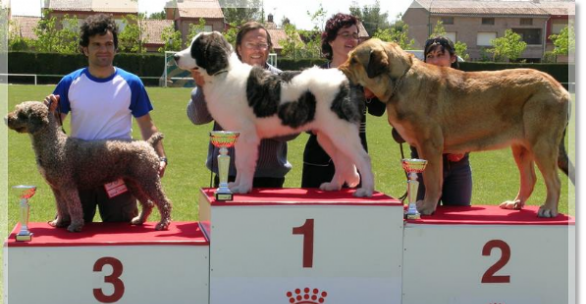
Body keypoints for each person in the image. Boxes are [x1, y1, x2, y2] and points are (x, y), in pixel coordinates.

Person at [45, 14, 167, 223]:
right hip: (79, 170)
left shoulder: (132, 82)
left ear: (115, 48)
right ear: (85, 49)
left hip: (118, 169)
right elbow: (54, 129)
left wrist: (162, 158)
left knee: (122, 232)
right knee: (72, 231)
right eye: (97, 44)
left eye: (109, 44)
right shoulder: (69, 82)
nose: (104, 49)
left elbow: (148, 126)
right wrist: (49, 112)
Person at [187, 22, 295, 188]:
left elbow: (291, 132)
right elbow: (198, 117)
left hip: (269, 177)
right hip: (226, 173)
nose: (257, 50)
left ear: (269, 48)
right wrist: (202, 87)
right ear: (238, 48)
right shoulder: (218, 76)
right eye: (250, 44)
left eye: (262, 45)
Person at [301, 13, 386, 188]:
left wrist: (372, 91)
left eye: (355, 35)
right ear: (331, 40)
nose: (352, 39)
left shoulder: (366, 74)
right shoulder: (315, 74)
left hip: (355, 157)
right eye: (345, 34)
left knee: (354, 214)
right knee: (315, 215)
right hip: (319, 161)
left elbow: (378, 111)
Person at [401, 36, 473, 206]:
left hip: (458, 166)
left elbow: (474, 124)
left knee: (458, 220)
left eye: (440, 55)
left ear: (453, 58)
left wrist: (464, 147)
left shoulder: (467, 88)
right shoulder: (415, 88)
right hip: (423, 166)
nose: (435, 61)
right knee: (421, 220)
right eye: (430, 56)